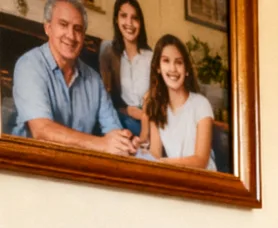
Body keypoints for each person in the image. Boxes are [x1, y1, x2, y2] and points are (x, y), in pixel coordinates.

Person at [9, 0, 138, 156]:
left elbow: (113, 130)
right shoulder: (30, 65)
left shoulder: (94, 80)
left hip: (77, 169)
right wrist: (100, 143)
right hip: (29, 167)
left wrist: (126, 143)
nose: (71, 35)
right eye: (63, 25)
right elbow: (41, 130)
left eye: (77, 29)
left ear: (83, 36)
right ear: (48, 28)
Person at [143, 34, 215, 170]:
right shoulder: (156, 107)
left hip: (205, 180)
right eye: (166, 61)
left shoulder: (201, 104)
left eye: (179, 62)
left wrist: (162, 163)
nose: (173, 69)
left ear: (186, 70)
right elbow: (155, 154)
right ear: (157, 68)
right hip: (176, 178)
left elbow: (201, 161)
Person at [98, 0, 151, 138]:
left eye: (135, 18)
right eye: (123, 16)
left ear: (141, 22)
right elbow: (105, 95)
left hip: (148, 120)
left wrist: (145, 115)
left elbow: (157, 96)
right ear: (116, 19)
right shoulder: (108, 50)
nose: (129, 23)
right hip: (121, 118)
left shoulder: (151, 56)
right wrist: (128, 110)